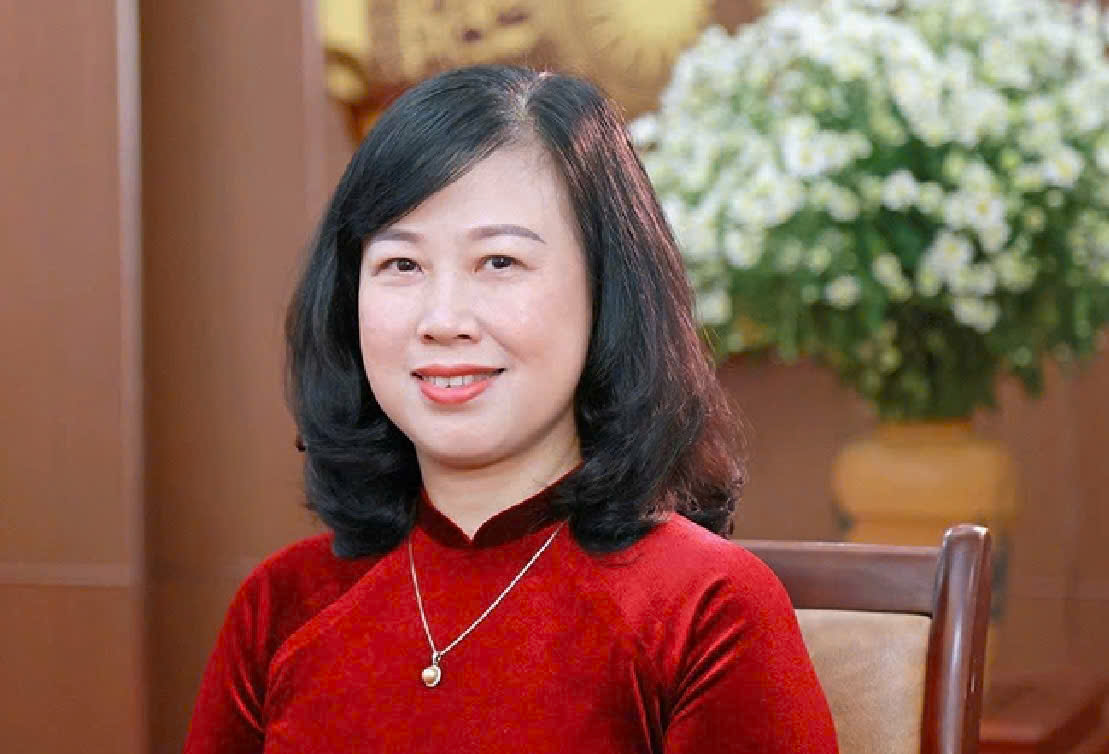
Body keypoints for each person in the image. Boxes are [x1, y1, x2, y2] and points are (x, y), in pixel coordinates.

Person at [183, 64, 838, 753]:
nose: (443, 320)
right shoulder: (283, 604)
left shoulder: (703, 607)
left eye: (498, 262)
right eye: (401, 265)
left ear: (607, 290)